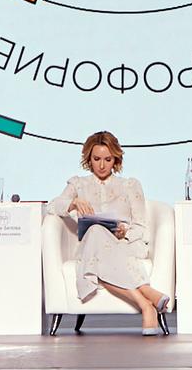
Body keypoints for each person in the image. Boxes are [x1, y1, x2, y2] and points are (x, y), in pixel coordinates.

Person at [47, 131, 170, 335]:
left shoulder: (129, 185)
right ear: (89, 159)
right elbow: (52, 206)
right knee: (95, 232)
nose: (102, 165)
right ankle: (146, 300)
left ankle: (146, 305)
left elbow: (140, 225)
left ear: (116, 159)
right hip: (90, 246)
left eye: (108, 159)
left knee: (98, 256)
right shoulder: (78, 184)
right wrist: (73, 202)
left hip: (124, 245)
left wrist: (124, 232)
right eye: (96, 159)